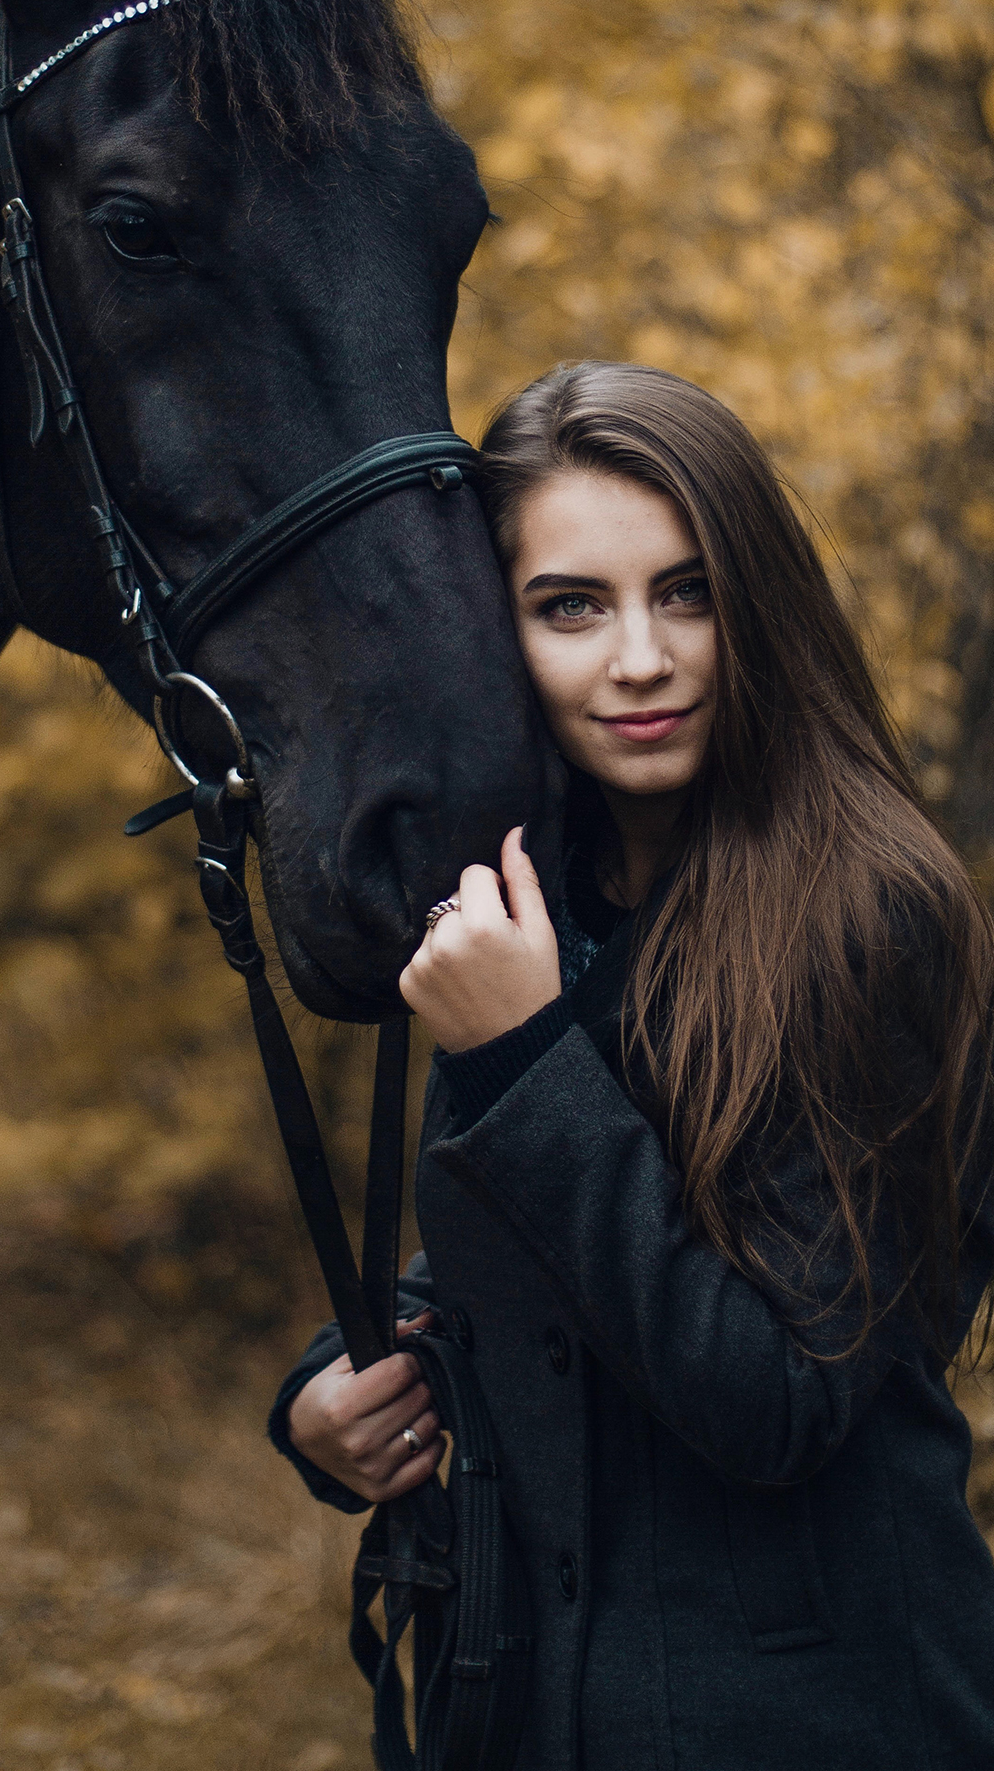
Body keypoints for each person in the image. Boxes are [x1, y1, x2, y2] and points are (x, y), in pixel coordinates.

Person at [270, 361, 994, 1770]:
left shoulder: (871, 919)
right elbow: (512, 1276)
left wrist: (523, 1056)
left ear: (757, 606)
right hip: (532, 1704)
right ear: (496, 637)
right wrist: (330, 1397)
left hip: (814, 1722)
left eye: (686, 592)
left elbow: (779, 1395)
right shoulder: (540, 908)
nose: (640, 660)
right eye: (569, 608)